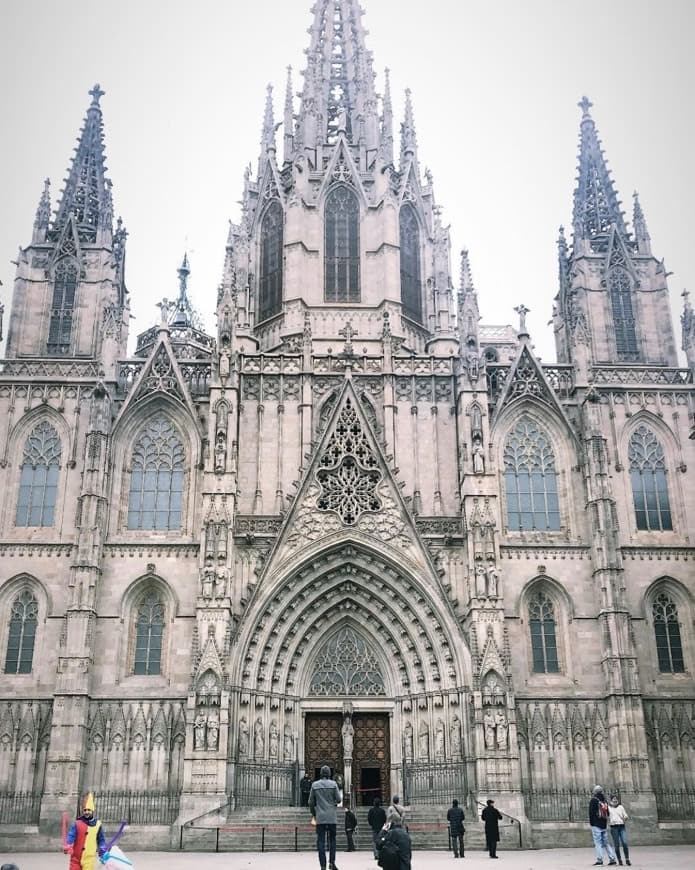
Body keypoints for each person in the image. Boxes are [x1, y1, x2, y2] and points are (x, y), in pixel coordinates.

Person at [309, 764, 341, 870]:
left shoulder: (314, 785)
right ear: (329, 774)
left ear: (321, 774)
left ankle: (322, 865)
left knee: (321, 842)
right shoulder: (333, 784)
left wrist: (314, 813)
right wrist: (333, 802)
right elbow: (339, 799)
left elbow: (310, 802)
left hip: (320, 817)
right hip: (331, 817)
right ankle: (331, 863)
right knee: (332, 840)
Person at [64, 792, 106, 870]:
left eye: (89, 810)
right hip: (76, 858)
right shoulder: (77, 823)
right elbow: (71, 835)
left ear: (92, 811)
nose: (86, 812)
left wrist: (102, 848)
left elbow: (101, 839)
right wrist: (68, 845)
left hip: (90, 858)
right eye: (85, 810)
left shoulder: (98, 824)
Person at [589, 785, 617, 866]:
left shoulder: (593, 800)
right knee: (606, 843)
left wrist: (592, 824)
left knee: (598, 843)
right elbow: (607, 813)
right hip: (603, 825)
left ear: (595, 792)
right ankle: (612, 859)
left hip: (596, 825)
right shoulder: (604, 801)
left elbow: (591, 813)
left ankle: (600, 860)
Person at [608, 794, 631, 866]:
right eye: (613, 799)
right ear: (611, 800)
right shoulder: (608, 808)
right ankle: (619, 859)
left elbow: (625, 815)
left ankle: (627, 859)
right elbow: (606, 816)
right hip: (614, 827)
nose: (615, 800)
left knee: (624, 843)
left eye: (616, 799)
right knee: (617, 845)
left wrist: (625, 818)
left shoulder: (621, 807)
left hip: (621, 827)